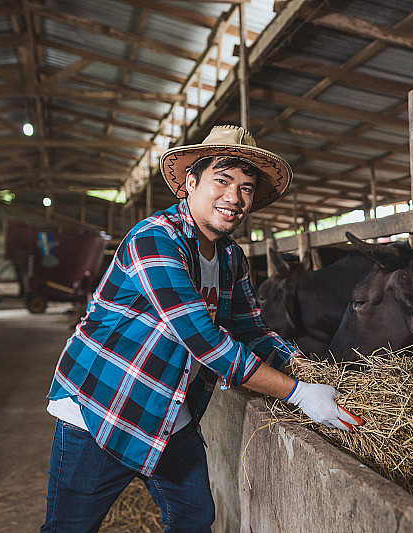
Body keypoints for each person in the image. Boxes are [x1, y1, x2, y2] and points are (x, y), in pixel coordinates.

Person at [41, 125, 363, 532]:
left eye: (246, 188)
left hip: (168, 411)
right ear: (191, 183)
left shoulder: (231, 257)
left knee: (194, 519)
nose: (234, 197)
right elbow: (204, 341)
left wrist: (309, 370)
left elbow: (252, 331)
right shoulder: (154, 239)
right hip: (102, 407)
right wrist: (297, 393)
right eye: (222, 181)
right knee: (69, 528)